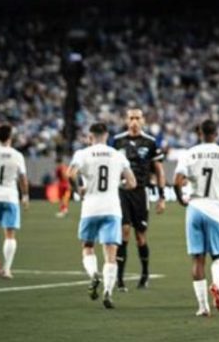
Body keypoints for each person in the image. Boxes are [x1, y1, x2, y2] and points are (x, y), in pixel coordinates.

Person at [173, 119, 219, 317]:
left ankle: (203, 307)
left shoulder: (188, 154)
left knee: (197, 260)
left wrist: (181, 200)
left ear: (199, 133)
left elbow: (176, 182)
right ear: (217, 134)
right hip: (216, 210)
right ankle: (217, 284)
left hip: (194, 208)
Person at [68, 123, 137, 309]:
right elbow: (132, 183)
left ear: (90, 137)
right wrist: (117, 185)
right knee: (110, 255)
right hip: (112, 209)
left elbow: (70, 174)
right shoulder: (118, 155)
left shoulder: (82, 154)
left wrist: (78, 190)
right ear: (106, 136)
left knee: (88, 246)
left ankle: (93, 275)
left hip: (90, 208)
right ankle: (108, 291)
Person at [112, 108, 166, 291]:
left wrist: (162, 196)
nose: (134, 121)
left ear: (143, 120)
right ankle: (119, 279)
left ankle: (144, 275)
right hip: (122, 192)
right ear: (126, 120)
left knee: (140, 236)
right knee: (123, 231)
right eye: (131, 118)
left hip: (141, 192)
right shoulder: (117, 141)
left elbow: (159, 170)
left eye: (137, 118)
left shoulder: (150, 142)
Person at [0, 124, 29, 279]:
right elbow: (22, 178)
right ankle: (7, 269)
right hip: (10, 196)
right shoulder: (16, 155)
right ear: (10, 137)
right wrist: (25, 196)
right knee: (10, 234)